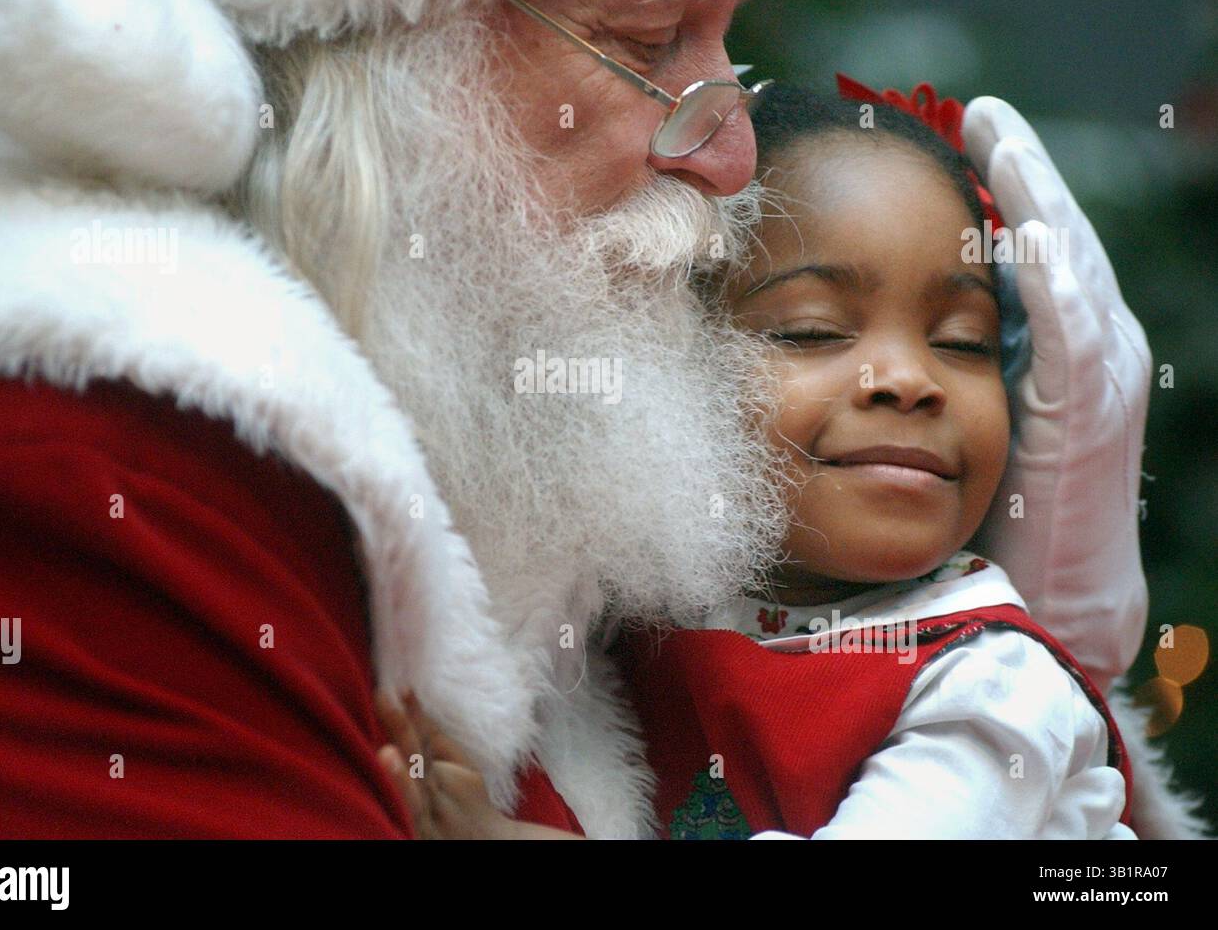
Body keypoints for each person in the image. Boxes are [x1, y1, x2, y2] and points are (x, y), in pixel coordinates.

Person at [0, 0, 1197, 838]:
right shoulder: (90, 490)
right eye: (651, 38)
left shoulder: (582, 538)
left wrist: (1044, 675)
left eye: (729, 45)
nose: (735, 159)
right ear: (385, 71)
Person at [369, 81, 1135, 839]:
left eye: (963, 342)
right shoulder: (625, 623)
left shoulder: (997, 685)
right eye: (812, 331)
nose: (908, 379)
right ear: (674, 367)